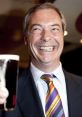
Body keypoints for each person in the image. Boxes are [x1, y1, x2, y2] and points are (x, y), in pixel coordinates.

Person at [0, 2, 82, 117]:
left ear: (62, 36)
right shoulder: (6, 93)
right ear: (26, 39)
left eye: (54, 28)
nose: (46, 37)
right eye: (37, 29)